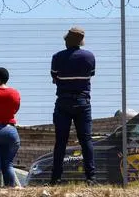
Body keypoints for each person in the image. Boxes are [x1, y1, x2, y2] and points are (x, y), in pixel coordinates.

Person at [49, 26, 96, 184]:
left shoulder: (57, 57)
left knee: (60, 141)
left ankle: (56, 178)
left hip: (63, 101)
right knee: (86, 141)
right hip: (83, 102)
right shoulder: (89, 57)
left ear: (67, 41)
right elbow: (90, 75)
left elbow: (55, 77)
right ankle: (91, 177)